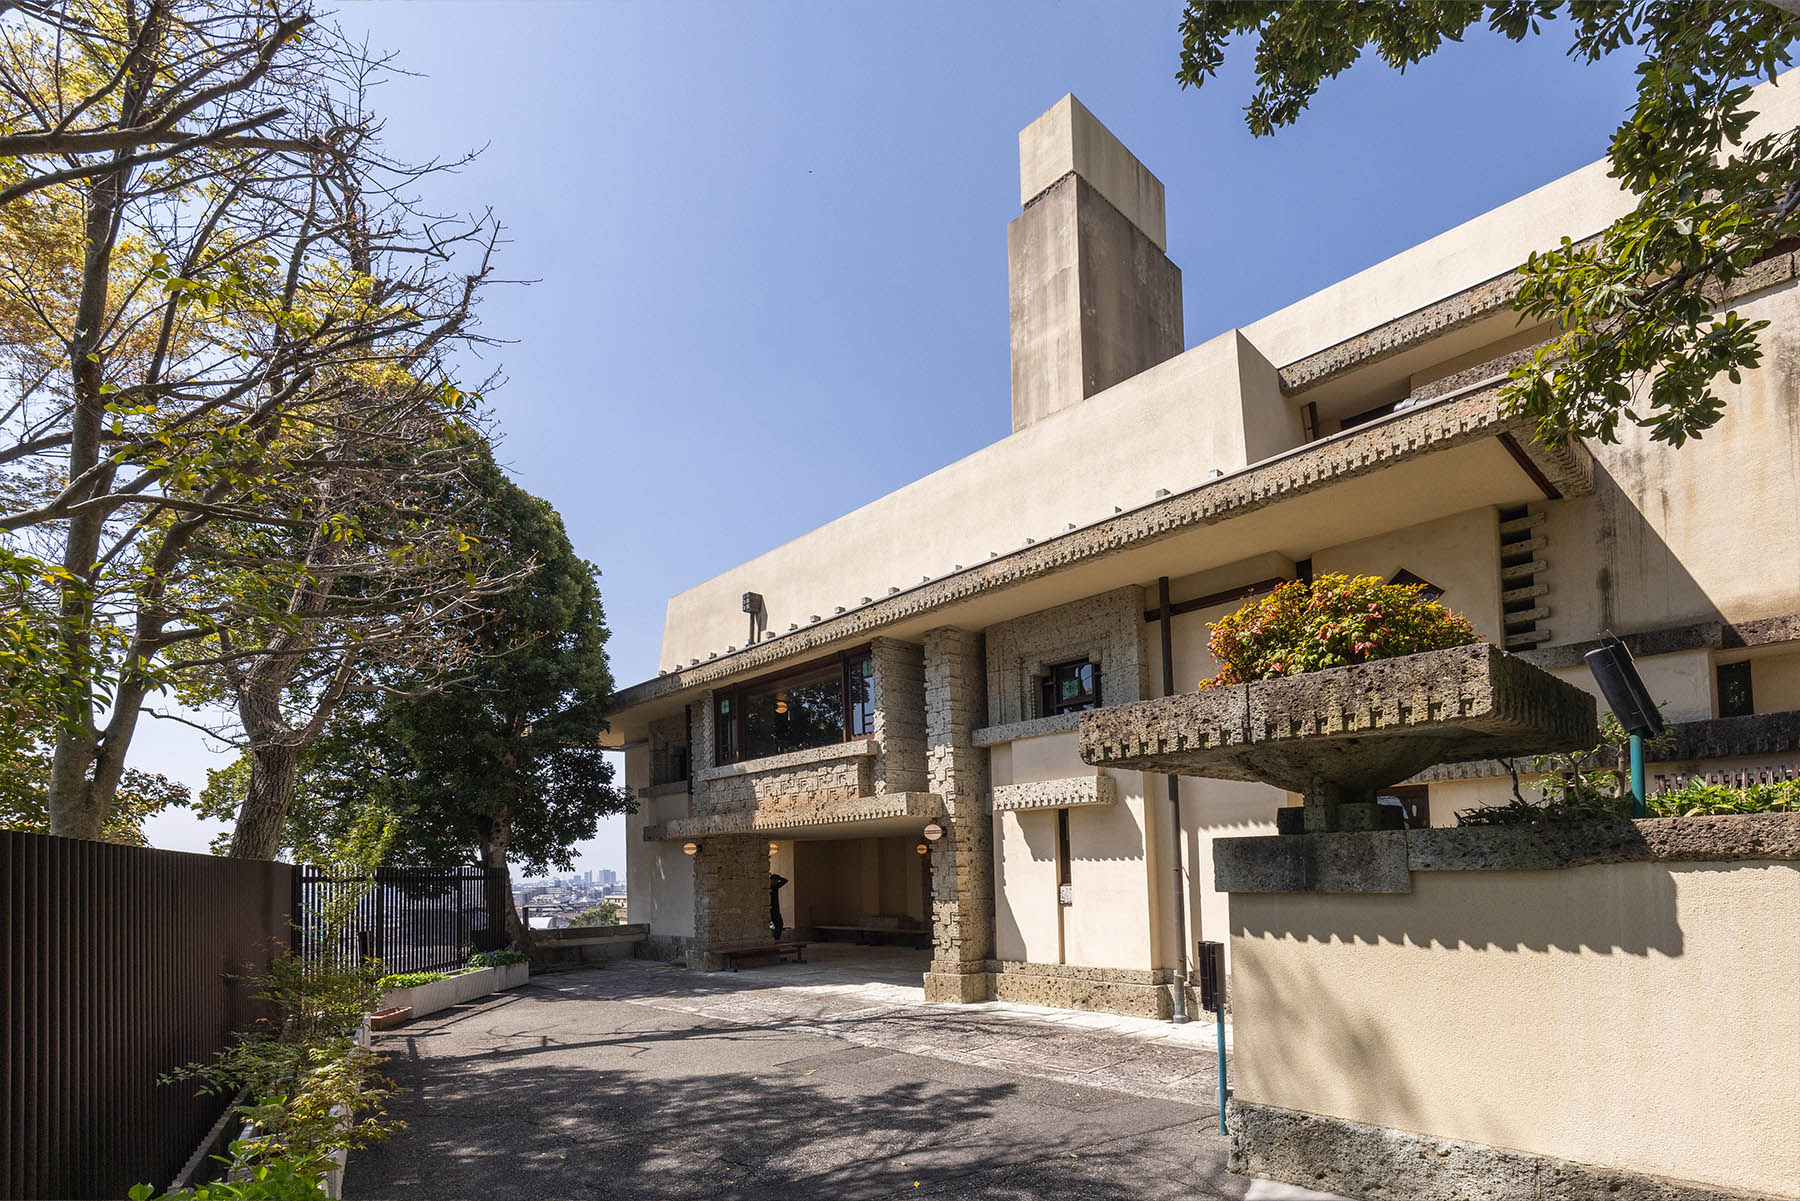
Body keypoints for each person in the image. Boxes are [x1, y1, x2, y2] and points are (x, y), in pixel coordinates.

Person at [769, 872, 789, 940]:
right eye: (774, 880)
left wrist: (778, 877)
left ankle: (776, 939)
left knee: (780, 925)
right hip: (769, 910)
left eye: (777, 881)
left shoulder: (776, 887)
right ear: (771, 880)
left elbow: (785, 880)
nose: (776, 882)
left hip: (776, 910)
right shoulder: (767, 887)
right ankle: (774, 939)